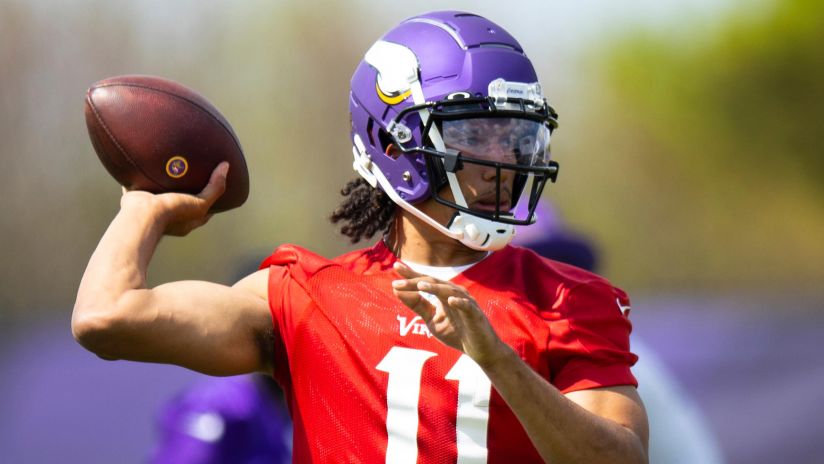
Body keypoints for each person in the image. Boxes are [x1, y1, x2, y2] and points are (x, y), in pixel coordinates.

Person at [73, 11, 648, 463]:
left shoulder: (569, 300)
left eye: (516, 137)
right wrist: (144, 208)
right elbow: (107, 317)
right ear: (394, 146)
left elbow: (620, 460)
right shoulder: (305, 295)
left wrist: (499, 362)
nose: (506, 162)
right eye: (477, 135)